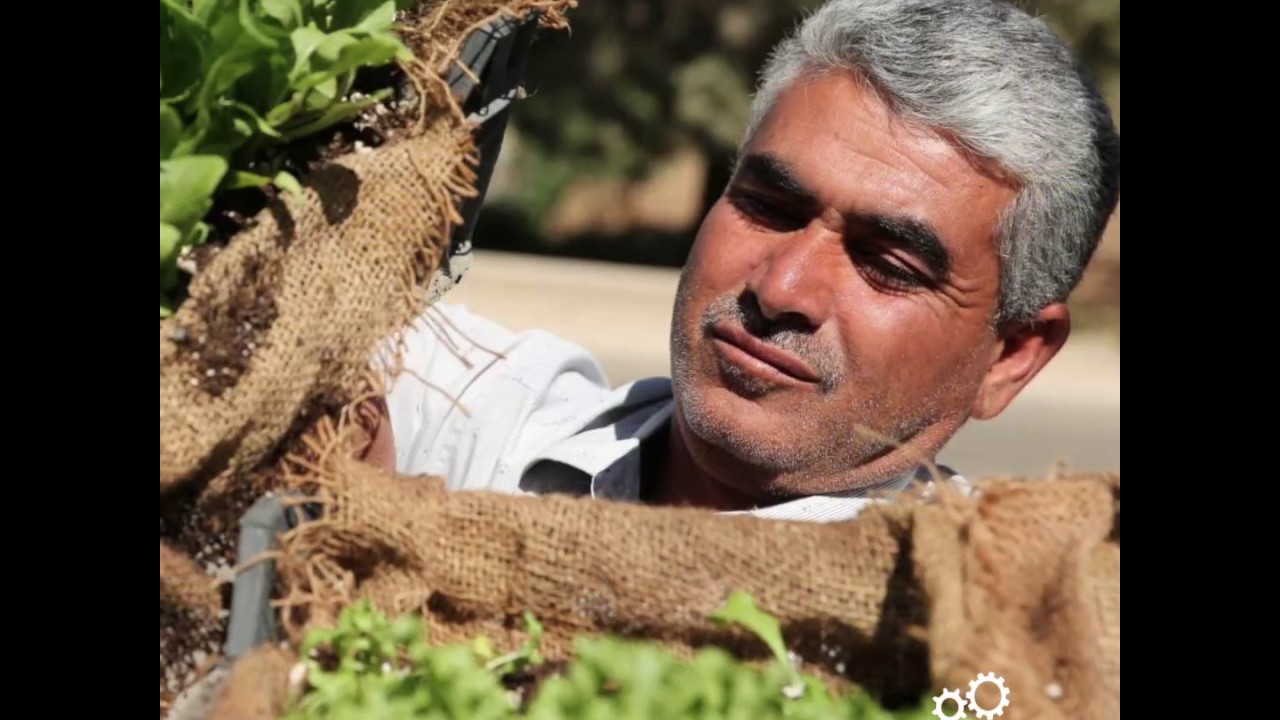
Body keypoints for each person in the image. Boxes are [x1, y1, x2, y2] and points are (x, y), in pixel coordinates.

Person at [363, 0, 1121, 523]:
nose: (783, 287)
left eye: (887, 264)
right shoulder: (466, 415)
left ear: (1012, 358)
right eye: (770, 207)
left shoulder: (973, 649)